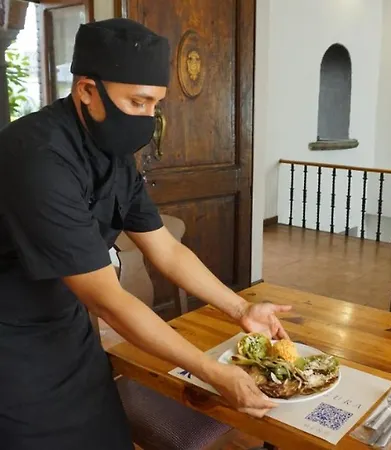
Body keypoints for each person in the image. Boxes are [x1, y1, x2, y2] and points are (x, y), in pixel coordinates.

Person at [0, 17, 291, 450]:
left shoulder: (113, 152)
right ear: (87, 90)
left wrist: (240, 308)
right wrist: (212, 372)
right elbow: (110, 301)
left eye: (155, 104)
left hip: (68, 327)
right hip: (12, 342)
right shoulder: (36, 158)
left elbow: (166, 249)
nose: (148, 118)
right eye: (137, 102)